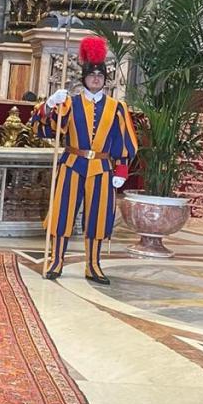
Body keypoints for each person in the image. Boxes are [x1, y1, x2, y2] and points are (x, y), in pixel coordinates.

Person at [31, 35, 139, 284]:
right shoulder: (68, 103)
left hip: (102, 167)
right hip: (72, 164)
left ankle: (93, 265)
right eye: (92, 75)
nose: (96, 78)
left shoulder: (117, 108)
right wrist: (48, 105)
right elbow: (44, 129)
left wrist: (121, 170)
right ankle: (56, 260)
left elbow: (125, 140)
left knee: (98, 217)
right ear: (84, 77)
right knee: (62, 213)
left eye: (100, 76)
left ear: (105, 79)